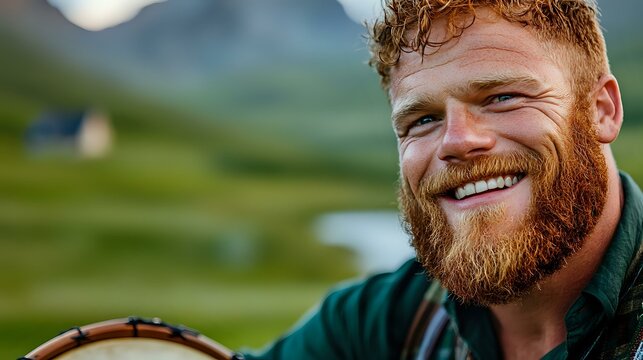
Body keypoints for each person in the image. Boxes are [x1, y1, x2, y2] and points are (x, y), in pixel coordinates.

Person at [240, 1, 643, 359]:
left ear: (601, 110)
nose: (457, 141)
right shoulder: (377, 324)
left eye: (502, 97)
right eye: (423, 120)